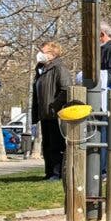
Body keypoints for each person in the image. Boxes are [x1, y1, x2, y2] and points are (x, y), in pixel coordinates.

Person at [32, 42, 68, 180]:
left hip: (55, 114)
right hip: (45, 114)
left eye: (43, 51)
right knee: (47, 145)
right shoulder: (41, 70)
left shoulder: (59, 69)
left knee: (56, 144)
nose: (39, 53)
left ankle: (57, 173)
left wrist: (54, 106)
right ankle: (49, 172)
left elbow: (65, 89)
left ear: (52, 54)